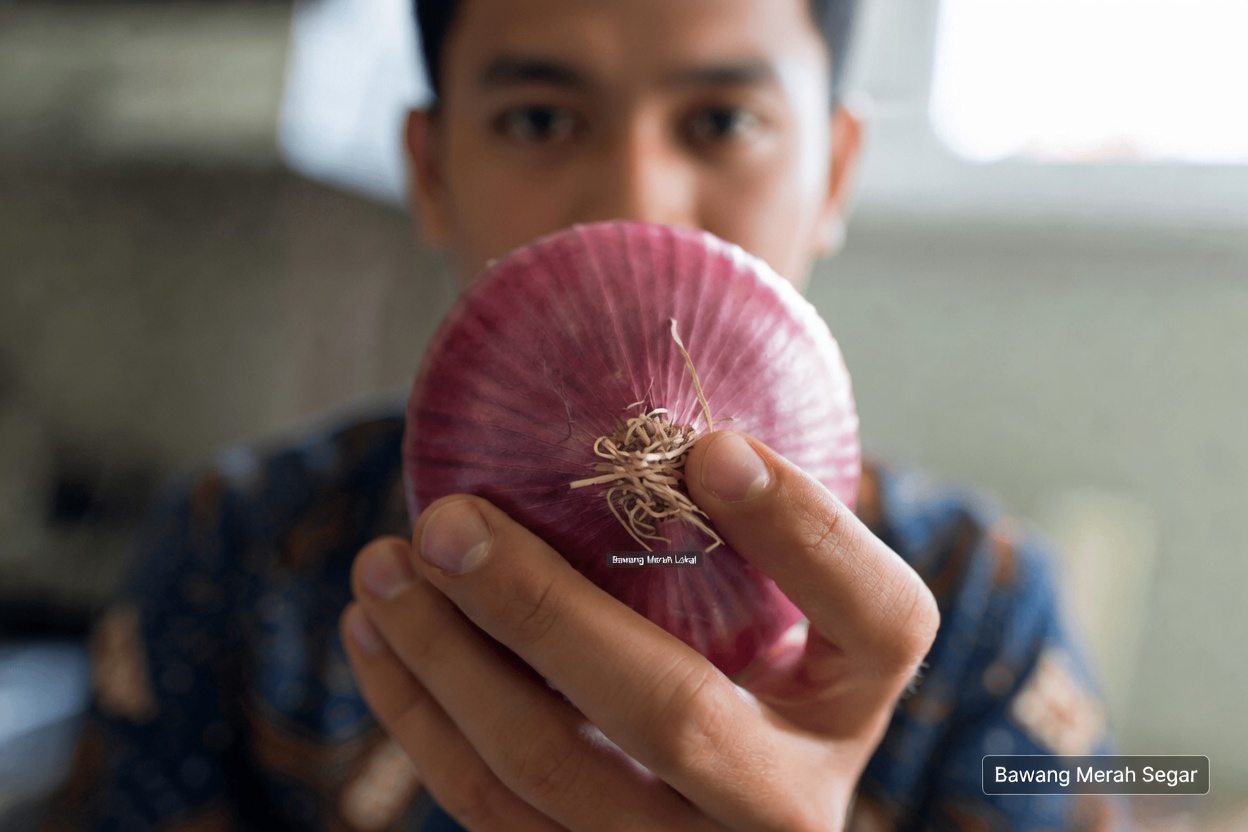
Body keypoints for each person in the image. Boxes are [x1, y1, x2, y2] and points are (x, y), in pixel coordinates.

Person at [41, 0, 1129, 830]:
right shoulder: (234, 556)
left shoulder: (986, 614)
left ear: (835, 172)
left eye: (721, 120)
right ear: (429, 169)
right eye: (538, 118)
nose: (636, 199)